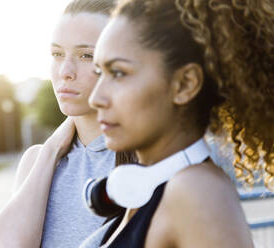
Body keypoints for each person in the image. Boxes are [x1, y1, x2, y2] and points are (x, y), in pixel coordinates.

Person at [81, 0, 274, 247]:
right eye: (99, 73)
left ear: (185, 84)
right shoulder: (153, 191)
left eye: (118, 73)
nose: (95, 98)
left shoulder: (197, 190)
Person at [0, 0, 137, 247]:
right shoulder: (39, 160)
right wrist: (51, 150)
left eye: (86, 55)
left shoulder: (150, 160)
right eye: (57, 54)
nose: (65, 71)